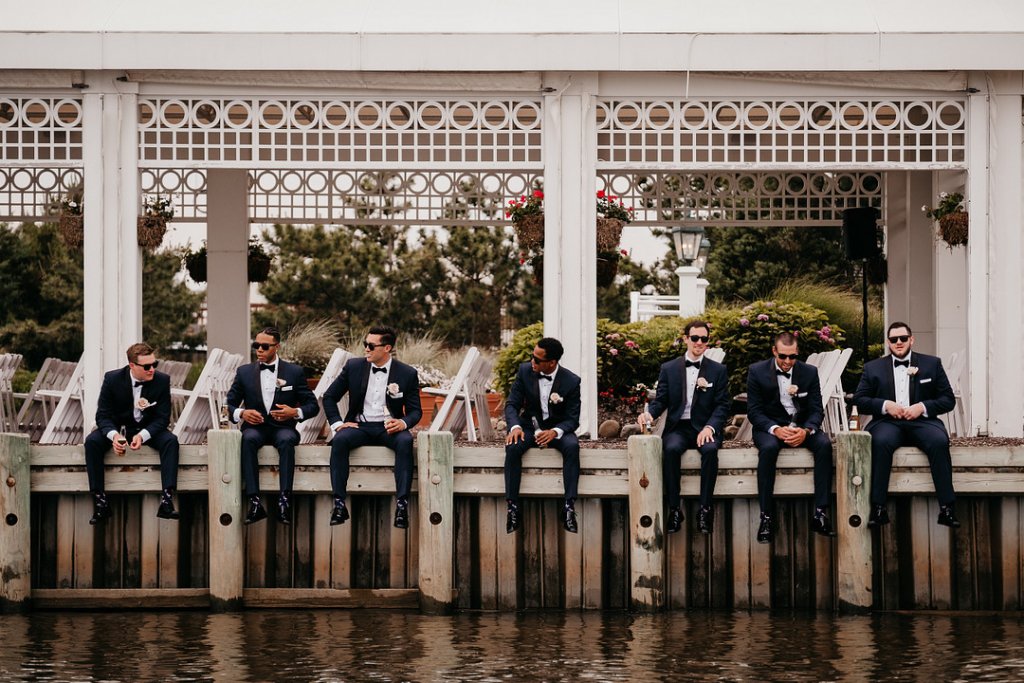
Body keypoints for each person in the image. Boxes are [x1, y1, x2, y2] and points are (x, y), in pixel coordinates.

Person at [853, 322, 959, 528]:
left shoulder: (931, 364)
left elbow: (948, 399)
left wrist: (922, 406)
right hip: (887, 422)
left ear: (912, 339)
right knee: (880, 442)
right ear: (888, 342)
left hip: (923, 422)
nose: (899, 342)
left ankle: (947, 508)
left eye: (903, 338)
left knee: (938, 441)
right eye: (894, 339)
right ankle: (878, 508)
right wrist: (885, 405)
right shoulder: (872, 368)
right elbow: (859, 400)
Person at [322, 325, 421, 529]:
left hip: (389, 428)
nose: (366, 349)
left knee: (406, 441)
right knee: (339, 440)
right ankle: (339, 504)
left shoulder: (407, 373)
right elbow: (329, 397)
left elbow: (415, 411)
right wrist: (338, 423)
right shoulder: (354, 367)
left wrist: (402, 422)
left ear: (387, 348)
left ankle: (402, 506)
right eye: (364, 344)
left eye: (370, 345)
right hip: (360, 425)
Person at [638, 321, 730, 534]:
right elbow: (660, 400)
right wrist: (649, 413)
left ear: (707, 342)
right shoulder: (669, 368)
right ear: (686, 339)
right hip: (679, 427)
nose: (699, 342)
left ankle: (705, 509)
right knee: (669, 450)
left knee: (710, 451)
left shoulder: (718, 370)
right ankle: (674, 510)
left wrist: (710, 428)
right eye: (695, 338)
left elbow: (723, 405)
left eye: (704, 339)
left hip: (705, 427)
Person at [746, 332, 835, 543]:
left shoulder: (809, 372)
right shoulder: (756, 372)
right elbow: (754, 411)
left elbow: (816, 410)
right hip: (770, 427)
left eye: (792, 357)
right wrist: (775, 429)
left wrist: (806, 431)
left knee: (824, 445)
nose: (787, 362)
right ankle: (766, 516)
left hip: (801, 427)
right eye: (783, 356)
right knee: (768, 450)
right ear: (774, 351)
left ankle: (820, 514)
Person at [226, 326, 319, 525]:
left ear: (276, 347)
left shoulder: (294, 372)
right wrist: (242, 413)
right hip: (255, 428)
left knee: (286, 441)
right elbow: (230, 404)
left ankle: (284, 501)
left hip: (283, 428)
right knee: (247, 439)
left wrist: (295, 412)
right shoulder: (244, 372)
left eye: (264, 346)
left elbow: (313, 406)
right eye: (256, 345)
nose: (259, 349)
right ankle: (254, 502)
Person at [84, 342, 180, 524]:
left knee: (171, 441)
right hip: (118, 428)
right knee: (92, 442)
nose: (152, 369)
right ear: (132, 366)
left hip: (148, 429)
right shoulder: (112, 379)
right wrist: (114, 436)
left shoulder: (162, 380)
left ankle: (167, 500)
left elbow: (162, 418)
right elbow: (102, 416)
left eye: (154, 364)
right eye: (147, 366)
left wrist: (142, 435)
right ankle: (100, 502)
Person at [503, 337, 582, 534]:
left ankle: (569, 508)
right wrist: (514, 427)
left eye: (537, 360)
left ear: (552, 363)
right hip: (528, 427)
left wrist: (555, 432)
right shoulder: (524, 372)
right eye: (532, 357)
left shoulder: (572, 381)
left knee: (572, 447)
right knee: (513, 447)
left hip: (557, 429)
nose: (532, 362)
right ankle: (512, 507)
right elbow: (512, 404)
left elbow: (573, 419)